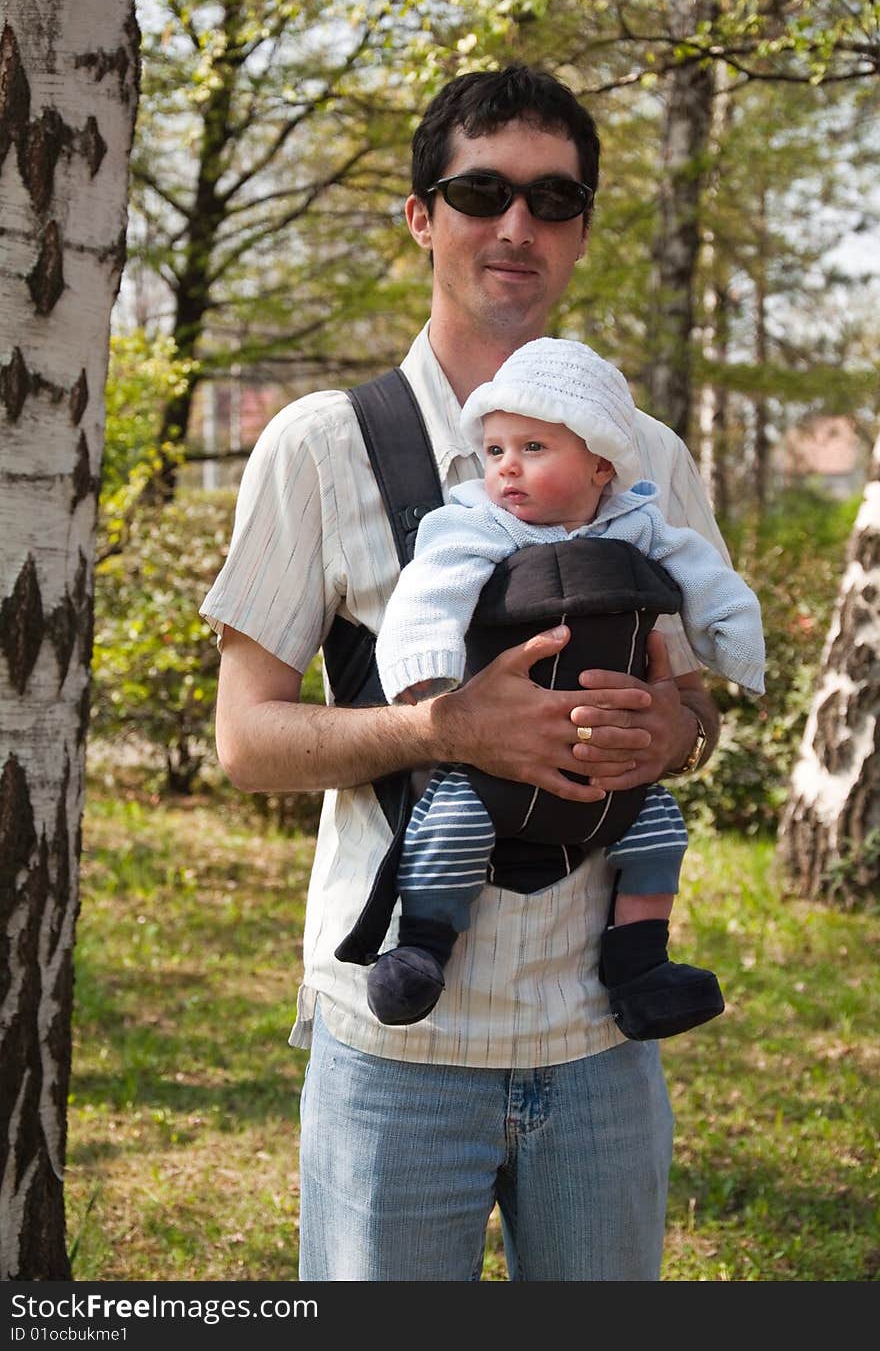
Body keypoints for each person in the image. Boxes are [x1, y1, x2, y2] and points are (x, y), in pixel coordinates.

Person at [201, 63, 731, 1282]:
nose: (516, 225)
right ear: (421, 215)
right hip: (396, 1057)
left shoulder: (644, 457)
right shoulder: (324, 444)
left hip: (602, 1045)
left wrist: (669, 732)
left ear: (583, 229)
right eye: (480, 189)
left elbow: (696, 706)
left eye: (554, 199)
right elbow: (245, 741)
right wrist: (445, 728)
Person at [368, 335, 764, 1033]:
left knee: (661, 829)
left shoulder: (636, 522)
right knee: (450, 823)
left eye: (534, 449)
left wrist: (732, 639)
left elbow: (700, 571)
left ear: (600, 464)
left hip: (612, 779)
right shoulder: (475, 523)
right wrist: (428, 686)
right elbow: (430, 589)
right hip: (490, 774)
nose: (506, 469)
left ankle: (640, 964)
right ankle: (422, 948)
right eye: (494, 451)